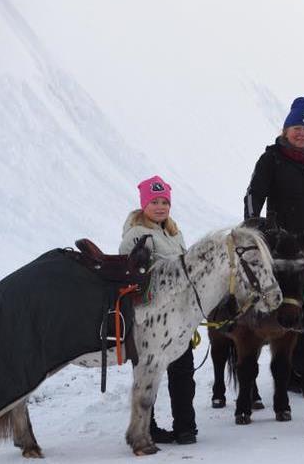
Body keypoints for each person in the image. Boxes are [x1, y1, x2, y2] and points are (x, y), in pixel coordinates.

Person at [244, 96, 304, 398]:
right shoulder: (271, 159)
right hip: (285, 248)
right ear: (286, 129)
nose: (302, 133)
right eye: (297, 127)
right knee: (294, 306)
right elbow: (253, 195)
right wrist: (252, 225)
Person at [119, 176, 197, 445]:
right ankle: (146, 427)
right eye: (154, 202)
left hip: (179, 316)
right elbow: (126, 273)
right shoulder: (136, 235)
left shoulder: (175, 233)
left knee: (183, 372)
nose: (161, 206)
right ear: (144, 205)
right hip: (149, 319)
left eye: (164, 201)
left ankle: (186, 427)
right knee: (147, 375)